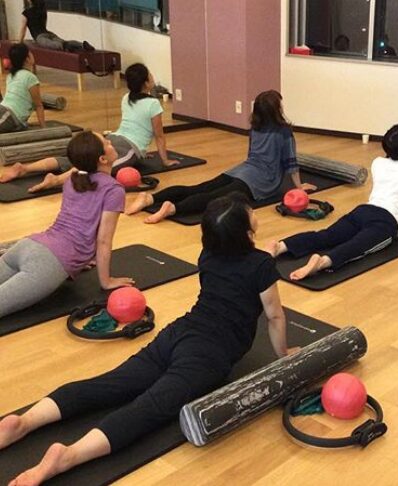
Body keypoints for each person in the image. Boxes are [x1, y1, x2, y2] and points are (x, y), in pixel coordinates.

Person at [0, 194, 298, 485]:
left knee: (111, 382)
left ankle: (25, 421)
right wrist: (283, 353)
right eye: (250, 212)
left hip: (178, 332)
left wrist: (258, 255)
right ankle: (70, 456)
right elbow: (274, 316)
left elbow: (235, 264)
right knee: (150, 407)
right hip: (210, 353)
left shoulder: (208, 255)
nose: (253, 212)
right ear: (245, 231)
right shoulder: (261, 266)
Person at [266, 123, 398, 280]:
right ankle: (323, 262)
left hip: (363, 211)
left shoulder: (378, 162)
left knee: (326, 235)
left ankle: (281, 246)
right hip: (387, 221)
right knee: (357, 246)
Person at [124, 90, 316, 224]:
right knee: (213, 197)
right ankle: (173, 208)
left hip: (240, 170)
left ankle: (150, 198)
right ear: (276, 110)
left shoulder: (255, 127)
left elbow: (252, 154)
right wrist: (299, 187)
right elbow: (291, 163)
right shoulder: (284, 132)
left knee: (199, 187)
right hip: (260, 180)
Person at [0, 132, 131, 319]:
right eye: (106, 142)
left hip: (28, 245)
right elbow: (103, 241)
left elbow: (77, 222)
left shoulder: (72, 179)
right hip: (48, 262)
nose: (111, 142)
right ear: (102, 159)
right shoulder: (113, 190)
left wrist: (81, 257)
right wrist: (106, 281)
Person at [0, 63, 178, 190]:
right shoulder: (153, 103)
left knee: (75, 160)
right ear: (146, 82)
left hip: (112, 138)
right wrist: (165, 161)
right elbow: (159, 136)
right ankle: (56, 180)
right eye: (150, 75)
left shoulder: (126, 98)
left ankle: (25, 168)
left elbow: (135, 124)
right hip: (129, 147)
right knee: (94, 168)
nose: (152, 77)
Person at [19, 0, 95, 52]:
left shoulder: (26, 13)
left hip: (39, 37)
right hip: (48, 33)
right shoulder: (42, 10)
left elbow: (23, 30)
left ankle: (65, 46)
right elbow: (44, 24)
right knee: (64, 41)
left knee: (53, 45)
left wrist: (19, 43)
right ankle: (82, 45)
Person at [0, 43, 44, 133]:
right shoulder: (31, 78)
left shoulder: (11, 75)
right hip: (9, 113)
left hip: (9, 114)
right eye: (30, 53)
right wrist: (43, 127)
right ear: (27, 59)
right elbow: (38, 106)